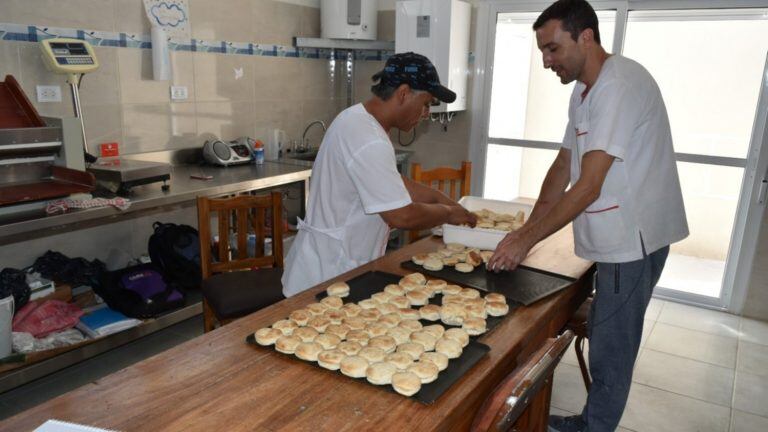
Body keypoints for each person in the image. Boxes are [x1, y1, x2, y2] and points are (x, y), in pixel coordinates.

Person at [487, 1, 689, 430]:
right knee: (606, 326)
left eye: (553, 49)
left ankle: (594, 427)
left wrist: (526, 241)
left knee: (613, 345)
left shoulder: (619, 86)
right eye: (542, 51)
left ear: (586, 37)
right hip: (614, 230)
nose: (546, 61)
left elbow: (589, 184)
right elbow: (563, 166)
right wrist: (526, 230)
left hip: (631, 236)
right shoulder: (584, 93)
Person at [282, 52, 477, 297]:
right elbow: (401, 216)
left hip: (333, 269)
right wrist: (449, 214)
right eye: (426, 103)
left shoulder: (357, 118)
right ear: (404, 93)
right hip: (329, 275)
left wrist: (444, 201)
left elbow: (395, 185)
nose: (427, 112)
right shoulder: (369, 137)